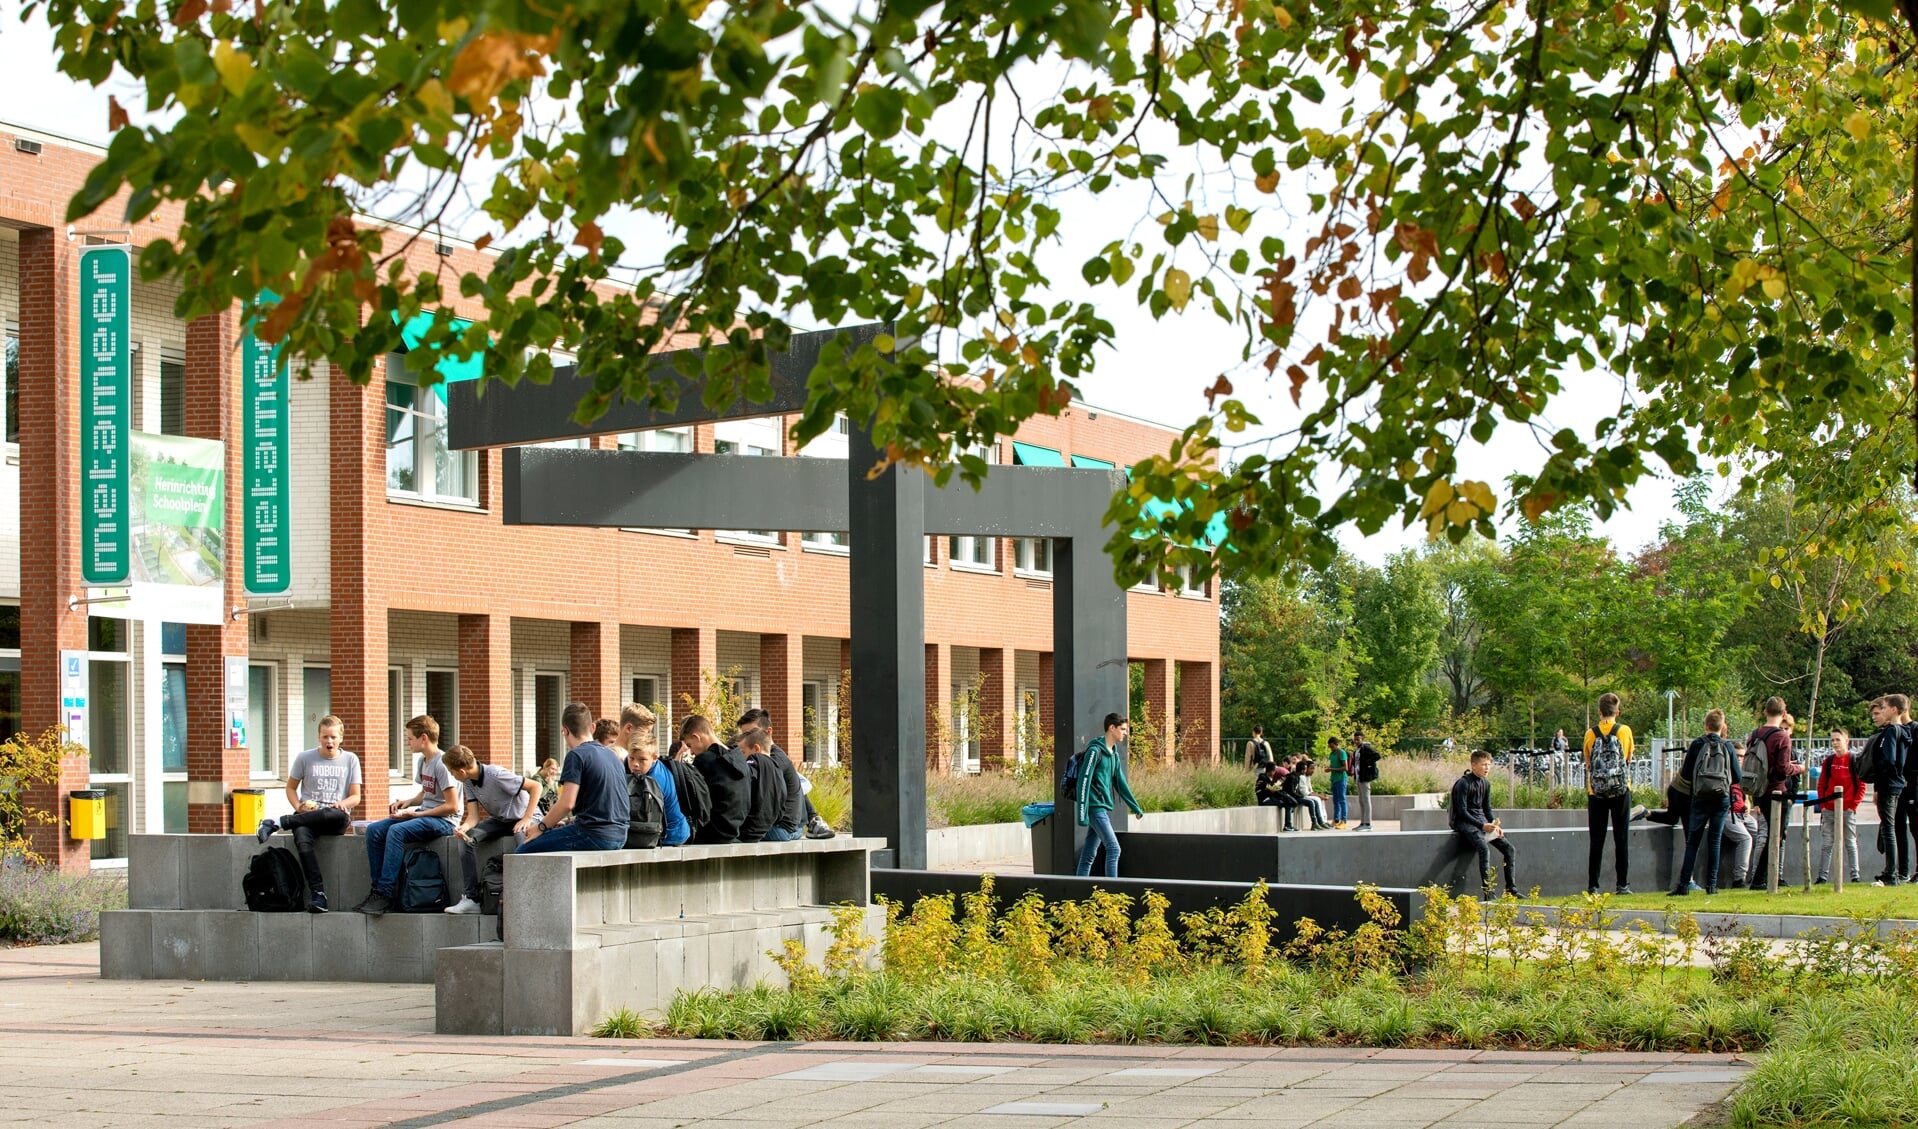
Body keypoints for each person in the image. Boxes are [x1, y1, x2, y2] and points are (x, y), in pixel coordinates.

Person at [355, 715, 463, 915]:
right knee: (374, 830)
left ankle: (386, 894)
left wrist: (416, 815)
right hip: (425, 815)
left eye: (410, 738)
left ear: (423, 738)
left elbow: (452, 806)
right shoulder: (423, 761)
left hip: (445, 821)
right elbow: (426, 793)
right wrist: (408, 803)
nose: (407, 742)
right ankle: (377, 890)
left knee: (396, 831)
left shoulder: (441, 763)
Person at [257, 715, 361, 914]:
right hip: (307, 816)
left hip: (335, 817)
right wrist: (298, 805)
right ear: (318, 737)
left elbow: (355, 798)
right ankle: (318, 894)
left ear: (341, 738)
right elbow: (290, 788)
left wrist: (342, 803)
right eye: (324, 737)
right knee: (301, 837)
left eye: (333, 737)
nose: (329, 742)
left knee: (335, 814)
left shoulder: (350, 760)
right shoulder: (305, 758)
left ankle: (279, 822)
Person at [517, 702, 630, 853]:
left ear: (565, 731)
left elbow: (567, 804)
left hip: (593, 834)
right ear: (592, 727)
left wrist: (540, 827)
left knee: (523, 851)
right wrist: (568, 821)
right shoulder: (612, 755)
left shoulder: (576, 756)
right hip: (620, 835)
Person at [442, 745, 541, 913]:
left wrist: (526, 818)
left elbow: (536, 787)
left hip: (526, 816)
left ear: (461, 771)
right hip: (501, 821)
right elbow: (474, 817)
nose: (452, 776)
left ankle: (529, 895)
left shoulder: (496, 775)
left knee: (521, 839)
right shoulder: (468, 782)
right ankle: (471, 899)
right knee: (467, 841)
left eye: (452, 772)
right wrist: (464, 828)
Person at [1670, 709, 1740, 897]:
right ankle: (1712, 885)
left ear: (1706, 725)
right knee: (1715, 841)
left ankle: (1684, 884)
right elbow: (1737, 776)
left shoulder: (1697, 744)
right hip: (1721, 798)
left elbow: (1686, 773)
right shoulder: (1728, 746)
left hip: (1700, 798)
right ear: (1722, 726)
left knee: (1693, 841)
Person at [1073, 712, 1145, 877]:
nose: (1125, 733)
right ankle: (1112, 892)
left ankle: (1077, 889)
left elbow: (1120, 783)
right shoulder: (1094, 752)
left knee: (1089, 855)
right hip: (1095, 807)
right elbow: (1083, 781)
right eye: (1123, 729)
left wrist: (1135, 806)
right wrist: (1082, 814)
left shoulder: (1114, 754)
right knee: (1114, 848)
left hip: (1102, 808)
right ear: (1112, 728)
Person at [1745, 696, 1803, 890]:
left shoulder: (1754, 735)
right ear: (1784, 713)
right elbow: (1782, 769)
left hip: (1758, 789)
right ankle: (1760, 878)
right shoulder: (1782, 737)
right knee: (1776, 835)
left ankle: (1760, 877)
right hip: (1777, 791)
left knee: (1770, 834)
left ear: (1765, 712)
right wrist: (1799, 769)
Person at [1582, 692, 1635, 895]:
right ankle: (1622, 884)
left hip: (1596, 793)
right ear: (1617, 712)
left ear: (1599, 711)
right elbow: (1628, 758)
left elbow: (1588, 762)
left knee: (1597, 840)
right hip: (1621, 790)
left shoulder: (1590, 733)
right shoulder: (1625, 730)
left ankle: (1593, 885)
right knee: (1621, 838)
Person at [619, 703, 690, 846]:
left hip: (671, 836)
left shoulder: (655, 779)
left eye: (642, 760)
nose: (635, 764)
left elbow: (645, 818)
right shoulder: (637, 766)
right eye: (631, 759)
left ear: (654, 758)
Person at [737, 709, 813, 841]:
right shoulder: (771, 757)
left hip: (783, 829)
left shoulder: (774, 760)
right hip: (787, 827)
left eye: (751, 733)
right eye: (744, 734)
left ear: (768, 732)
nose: (746, 739)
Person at [1451, 750, 1516, 896]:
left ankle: (1511, 889)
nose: (1487, 768)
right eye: (1483, 765)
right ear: (1473, 765)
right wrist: (1481, 826)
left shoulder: (1486, 784)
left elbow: (1486, 809)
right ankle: (1488, 892)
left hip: (1482, 822)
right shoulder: (1463, 783)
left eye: (1488, 765)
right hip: (1465, 823)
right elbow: (1462, 812)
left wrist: (1494, 825)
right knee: (1483, 849)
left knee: (1509, 849)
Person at [690, 716, 752, 844]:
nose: (691, 752)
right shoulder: (739, 757)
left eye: (689, 745)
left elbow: (695, 800)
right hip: (736, 829)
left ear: (697, 737)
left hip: (712, 832)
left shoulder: (704, 761)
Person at [1816, 727, 1862, 885]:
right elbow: (1821, 785)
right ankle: (1822, 876)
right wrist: (1822, 806)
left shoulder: (1854, 760)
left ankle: (1855, 876)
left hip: (1847, 808)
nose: (1835, 743)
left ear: (1846, 741)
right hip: (1829, 808)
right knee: (1827, 843)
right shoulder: (1828, 762)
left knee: (1850, 842)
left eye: (1838, 740)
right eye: (1833, 740)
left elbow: (1861, 786)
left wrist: (1853, 806)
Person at [736, 726, 790, 843]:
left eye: (743, 752)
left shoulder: (754, 760)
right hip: (767, 828)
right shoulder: (778, 769)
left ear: (756, 748)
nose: (741, 757)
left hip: (747, 831)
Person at [1722, 782, 1759, 887]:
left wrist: (1747, 804)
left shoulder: (1741, 778)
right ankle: (1739, 879)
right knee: (1745, 839)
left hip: (1743, 814)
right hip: (1728, 814)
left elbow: (1746, 798)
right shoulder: (1725, 775)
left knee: (1761, 838)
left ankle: (1758, 876)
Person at [1291, 756, 1331, 830]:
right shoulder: (1302, 777)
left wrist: (1320, 795)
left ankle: (1323, 821)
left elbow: (1311, 790)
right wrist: (1318, 796)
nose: (1313, 771)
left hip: (1305, 795)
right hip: (1301, 796)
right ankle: (1319, 822)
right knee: (1316, 799)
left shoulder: (1308, 777)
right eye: (1311, 768)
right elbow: (1305, 793)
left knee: (1320, 799)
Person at [1353, 731, 1380, 831]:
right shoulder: (1357, 749)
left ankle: (1368, 823)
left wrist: (1367, 764)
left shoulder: (1366, 748)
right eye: (1355, 739)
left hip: (1365, 778)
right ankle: (1363, 822)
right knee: (1361, 801)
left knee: (1366, 799)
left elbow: (1377, 755)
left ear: (1362, 739)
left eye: (1358, 739)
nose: (1356, 741)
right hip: (1359, 777)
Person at [1325, 735, 1350, 829]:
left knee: (1342, 800)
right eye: (1329, 747)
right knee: (1335, 800)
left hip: (1341, 779)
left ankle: (1344, 820)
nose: (1331, 748)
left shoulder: (1341, 753)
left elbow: (1345, 767)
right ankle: (1336, 819)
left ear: (1336, 745)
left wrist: (1331, 769)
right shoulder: (1332, 754)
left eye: (1332, 746)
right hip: (1334, 779)